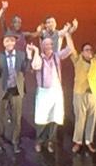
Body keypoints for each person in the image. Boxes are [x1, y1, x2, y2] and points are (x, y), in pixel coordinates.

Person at [0, 32, 40, 154]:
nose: (9, 43)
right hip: (2, 90)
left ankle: (15, 142)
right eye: (7, 41)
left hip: (16, 89)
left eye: (12, 40)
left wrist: (29, 56)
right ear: (3, 43)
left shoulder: (21, 55)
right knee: (0, 118)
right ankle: (0, 143)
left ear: (15, 42)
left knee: (17, 118)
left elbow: (26, 69)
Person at [32, 23, 75, 153]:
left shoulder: (57, 55)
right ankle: (40, 141)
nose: (48, 46)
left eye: (50, 44)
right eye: (45, 45)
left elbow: (70, 49)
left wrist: (67, 34)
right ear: (42, 46)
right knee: (42, 118)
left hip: (56, 91)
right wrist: (35, 52)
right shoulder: (39, 57)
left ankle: (50, 141)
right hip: (44, 92)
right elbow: (35, 66)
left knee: (54, 117)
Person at [66, 27, 96, 153]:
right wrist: (68, 34)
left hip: (94, 93)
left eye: (91, 49)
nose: (89, 51)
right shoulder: (77, 59)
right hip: (80, 93)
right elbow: (71, 48)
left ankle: (88, 140)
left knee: (92, 117)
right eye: (87, 50)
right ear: (82, 52)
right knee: (80, 118)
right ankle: (78, 141)